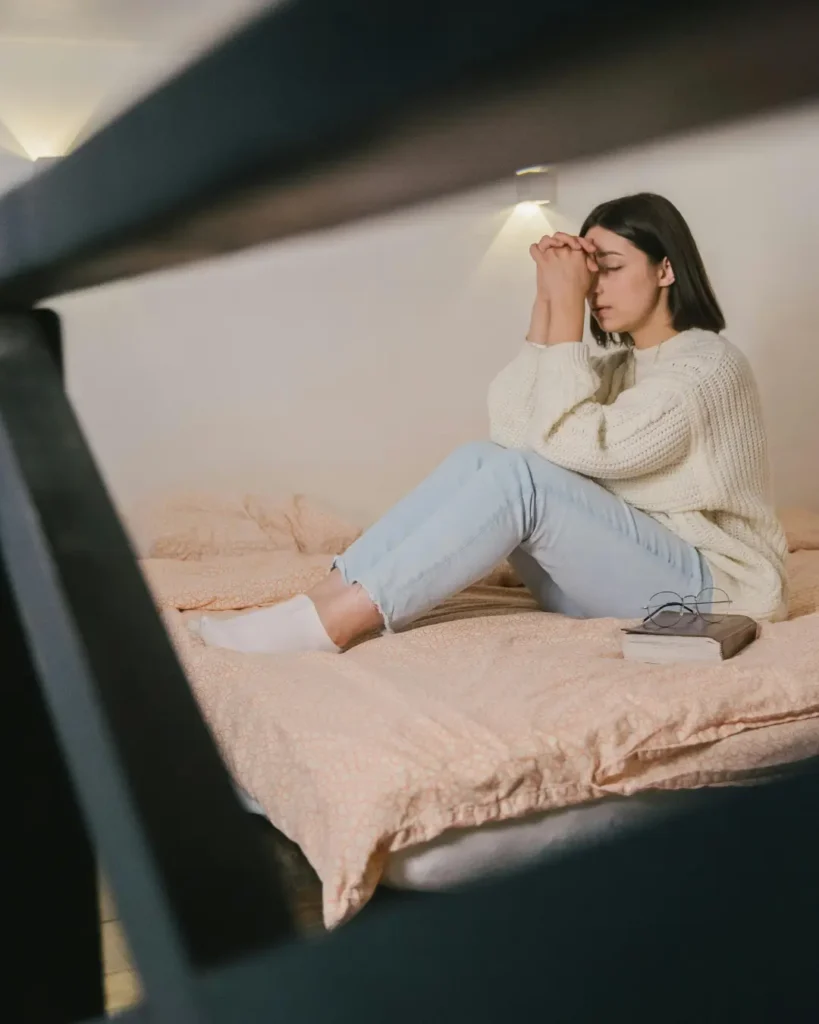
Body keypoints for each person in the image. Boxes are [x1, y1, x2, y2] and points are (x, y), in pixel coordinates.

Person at [197, 192, 788, 655]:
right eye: (590, 275)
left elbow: (573, 446)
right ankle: (322, 599)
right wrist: (549, 300)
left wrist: (567, 319)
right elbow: (511, 430)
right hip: (622, 580)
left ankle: (333, 626)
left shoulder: (709, 368)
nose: (594, 290)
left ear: (664, 270)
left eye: (607, 268)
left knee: (519, 479)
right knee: (483, 460)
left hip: (710, 594)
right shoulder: (617, 366)